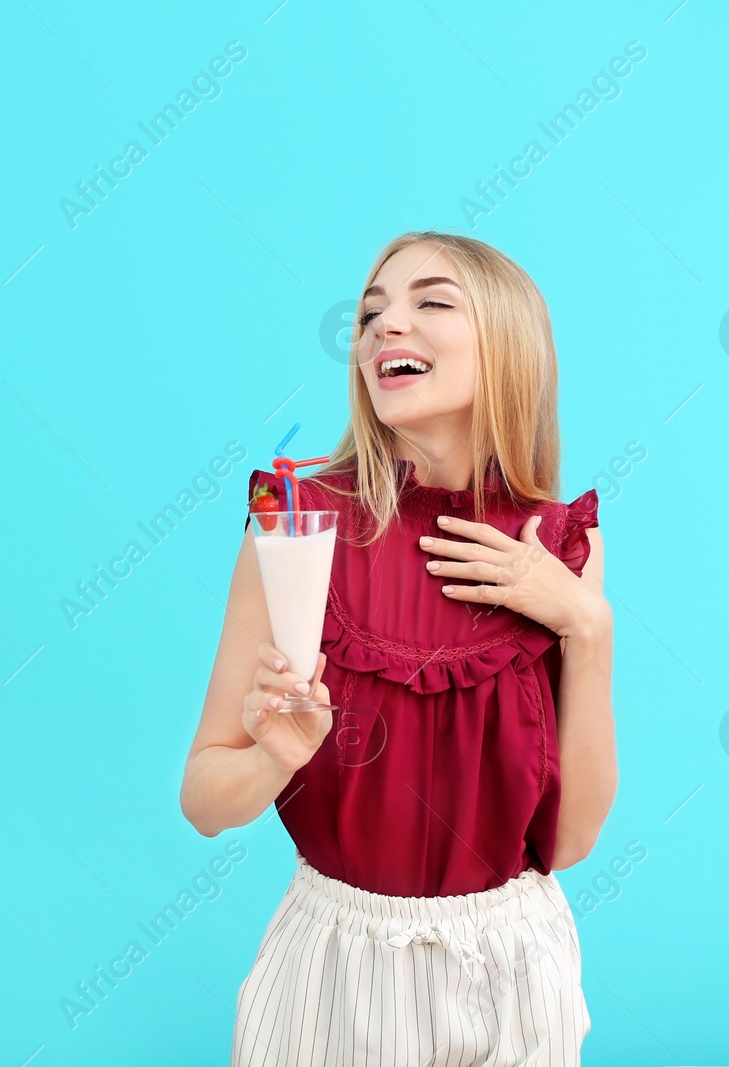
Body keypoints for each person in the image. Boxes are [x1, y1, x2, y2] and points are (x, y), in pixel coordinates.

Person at [180, 231, 616, 1065]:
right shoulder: (295, 521)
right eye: (371, 311)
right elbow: (204, 800)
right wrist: (276, 755)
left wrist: (587, 628)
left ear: (509, 344)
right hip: (334, 969)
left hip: (516, 968)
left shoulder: (563, 545)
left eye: (432, 302)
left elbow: (567, 843)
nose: (385, 325)